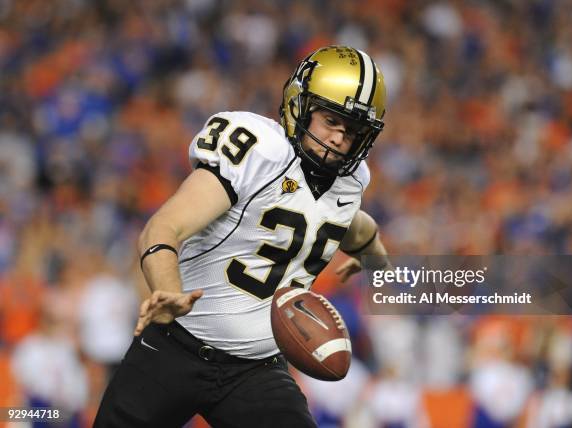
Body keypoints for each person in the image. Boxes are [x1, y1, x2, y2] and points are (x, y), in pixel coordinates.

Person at [94, 45, 390, 428]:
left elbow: (351, 222)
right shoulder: (258, 150)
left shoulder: (351, 182)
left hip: (256, 369)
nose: (339, 139)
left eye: (353, 131)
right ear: (299, 104)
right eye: (331, 120)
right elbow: (163, 227)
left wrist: (374, 256)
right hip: (175, 345)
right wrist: (168, 291)